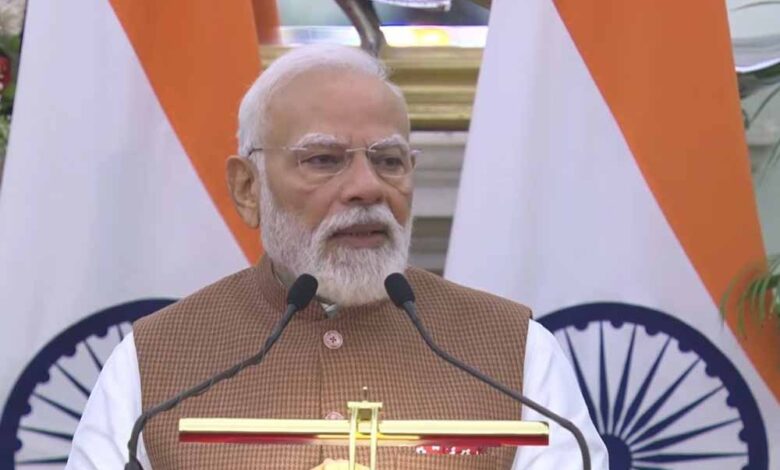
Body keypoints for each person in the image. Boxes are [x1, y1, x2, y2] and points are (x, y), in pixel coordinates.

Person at [66, 44, 608, 469]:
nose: (367, 188)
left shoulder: (515, 351)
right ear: (248, 188)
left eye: (389, 160)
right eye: (324, 159)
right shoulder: (155, 361)